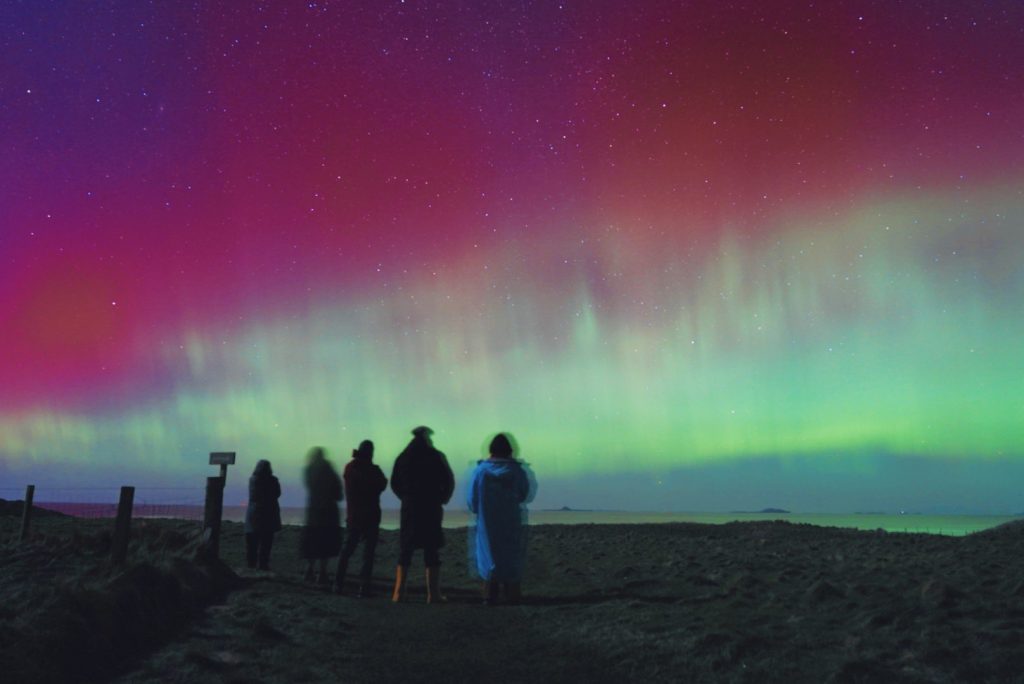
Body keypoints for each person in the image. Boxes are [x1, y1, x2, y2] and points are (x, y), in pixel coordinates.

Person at [390, 425, 455, 603]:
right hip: (431, 507)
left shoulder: (402, 458)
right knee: (431, 549)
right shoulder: (436, 456)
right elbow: (448, 480)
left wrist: (405, 498)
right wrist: (443, 498)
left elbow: (394, 483)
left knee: (406, 549)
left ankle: (398, 593)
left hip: (410, 508)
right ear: (427, 437)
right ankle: (433, 594)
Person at [467, 433, 532, 604]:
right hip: (510, 520)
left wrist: (478, 509)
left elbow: (472, 500)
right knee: (510, 555)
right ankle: (512, 594)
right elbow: (524, 494)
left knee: (488, 555)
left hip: (487, 523)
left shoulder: (480, 471)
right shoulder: (516, 471)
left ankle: (490, 594)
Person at [335, 439, 388, 596]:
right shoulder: (370, 470)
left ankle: (338, 584)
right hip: (369, 516)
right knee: (367, 554)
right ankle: (363, 587)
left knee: (347, 551)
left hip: (354, 516)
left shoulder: (350, 468)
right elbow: (382, 484)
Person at [300, 446, 343, 585]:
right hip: (328, 513)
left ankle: (309, 570)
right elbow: (338, 493)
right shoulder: (329, 471)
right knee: (325, 543)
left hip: (313, 512)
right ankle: (322, 573)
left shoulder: (308, 471)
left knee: (312, 542)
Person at [244, 459, 282, 570]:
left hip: (254, 514)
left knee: (252, 543)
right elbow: (277, 494)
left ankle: (251, 565)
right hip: (268, 515)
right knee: (266, 543)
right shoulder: (273, 481)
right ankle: (263, 565)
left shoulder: (252, 480)